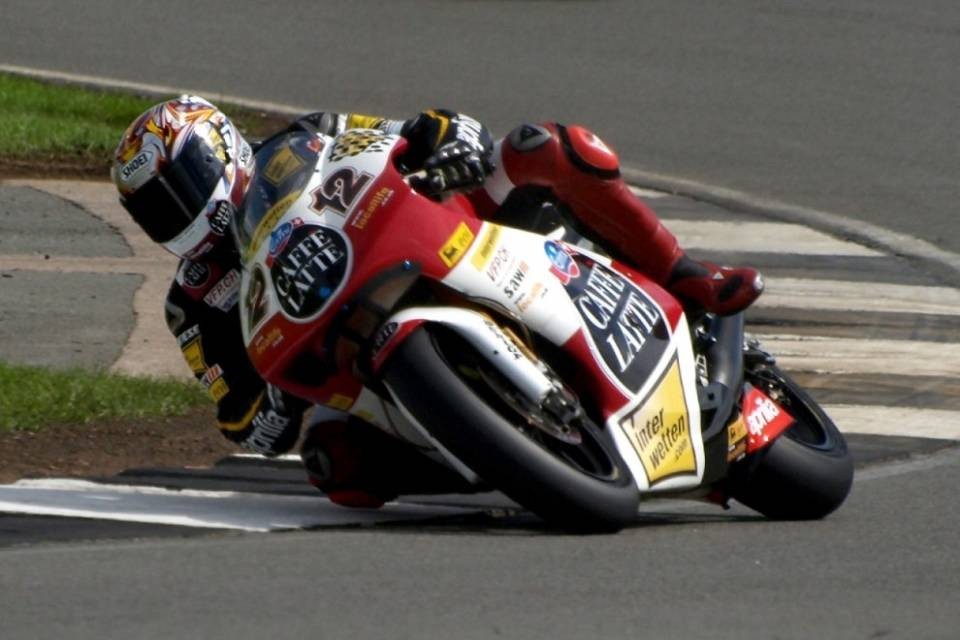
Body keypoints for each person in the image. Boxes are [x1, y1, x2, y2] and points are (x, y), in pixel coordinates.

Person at [111, 95, 763, 507]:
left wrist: (448, 139)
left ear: (221, 150)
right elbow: (241, 420)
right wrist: (274, 403)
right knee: (335, 466)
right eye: (156, 211)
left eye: (183, 187)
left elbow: (408, 132)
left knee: (541, 147)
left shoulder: (306, 138)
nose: (178, 216)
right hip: (356, 358)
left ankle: (686, 274)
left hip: (429, 235)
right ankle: (503, 461)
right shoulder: (192, 306)